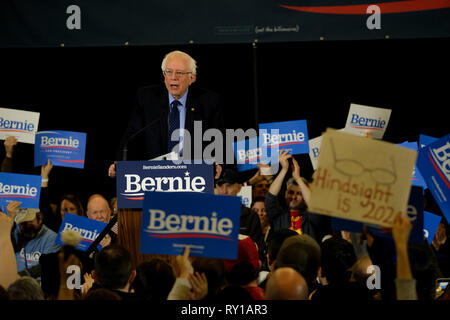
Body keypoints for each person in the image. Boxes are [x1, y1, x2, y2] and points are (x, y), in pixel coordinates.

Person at [113, 50, 224, 164]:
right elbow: (131, 137)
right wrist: (119, 164)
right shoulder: (147, 98)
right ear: (164, 75)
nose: (173, 77)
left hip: (193, 173)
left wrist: (218, 164)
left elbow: (218, 141)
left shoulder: (209, 101)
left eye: (179, 73)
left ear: (192, 78)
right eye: (169, 72)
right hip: (154, 173)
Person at [265, 150, 331, 243]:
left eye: (299, 193)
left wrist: (298, 178)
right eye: (291, 192)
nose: (294, 196)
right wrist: (284, 170)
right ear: (285, 194)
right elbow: (270, 197)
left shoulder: (311, 218)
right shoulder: (278, 217)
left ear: (304, 197)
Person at [9, 207, 61, 283]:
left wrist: (22, 275)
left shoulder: (52, 239)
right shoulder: (15, 234)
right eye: (21, 223)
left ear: (39, 219)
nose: (24, 227)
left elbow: (48, 266)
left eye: (28, 222)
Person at [215, 169, 263, 249]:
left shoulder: (250, 216)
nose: (224, 191)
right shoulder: (208, 214)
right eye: (220, 186)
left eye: (229, 186)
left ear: (239, 187)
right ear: (216, 187)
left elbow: (258, 249)